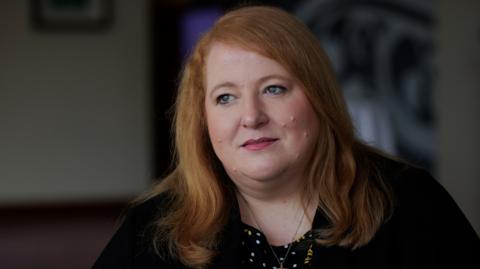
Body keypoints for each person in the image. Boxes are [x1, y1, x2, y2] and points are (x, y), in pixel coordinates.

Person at [92, 5, 480, 269]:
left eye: (274, 89)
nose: (251, 117)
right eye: (225, 97)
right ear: (203, 119)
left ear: (317, 97)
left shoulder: (409, 203)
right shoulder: (153, 229)